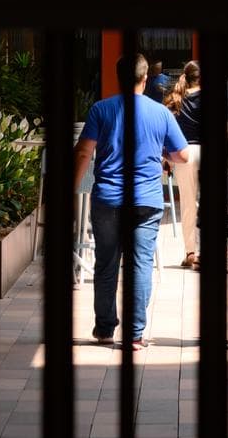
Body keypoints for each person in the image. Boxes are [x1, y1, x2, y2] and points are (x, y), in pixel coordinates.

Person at [73, 54, 190, 351]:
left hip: (108, 198)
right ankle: (135, 334)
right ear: (145, 79)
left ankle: (103, 328)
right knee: (140, 266)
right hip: (146, 201)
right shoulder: (161, 113)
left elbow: (84, 152)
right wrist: (162, 154)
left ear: (117, 77)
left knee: (106, 264)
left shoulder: (101, 109)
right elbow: (183, 155)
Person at [164, 60, 203, 269]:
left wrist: (167, 158)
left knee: (188, 205)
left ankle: (190, 252)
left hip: (184, 155)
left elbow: (166, 133)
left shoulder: (175, 99)